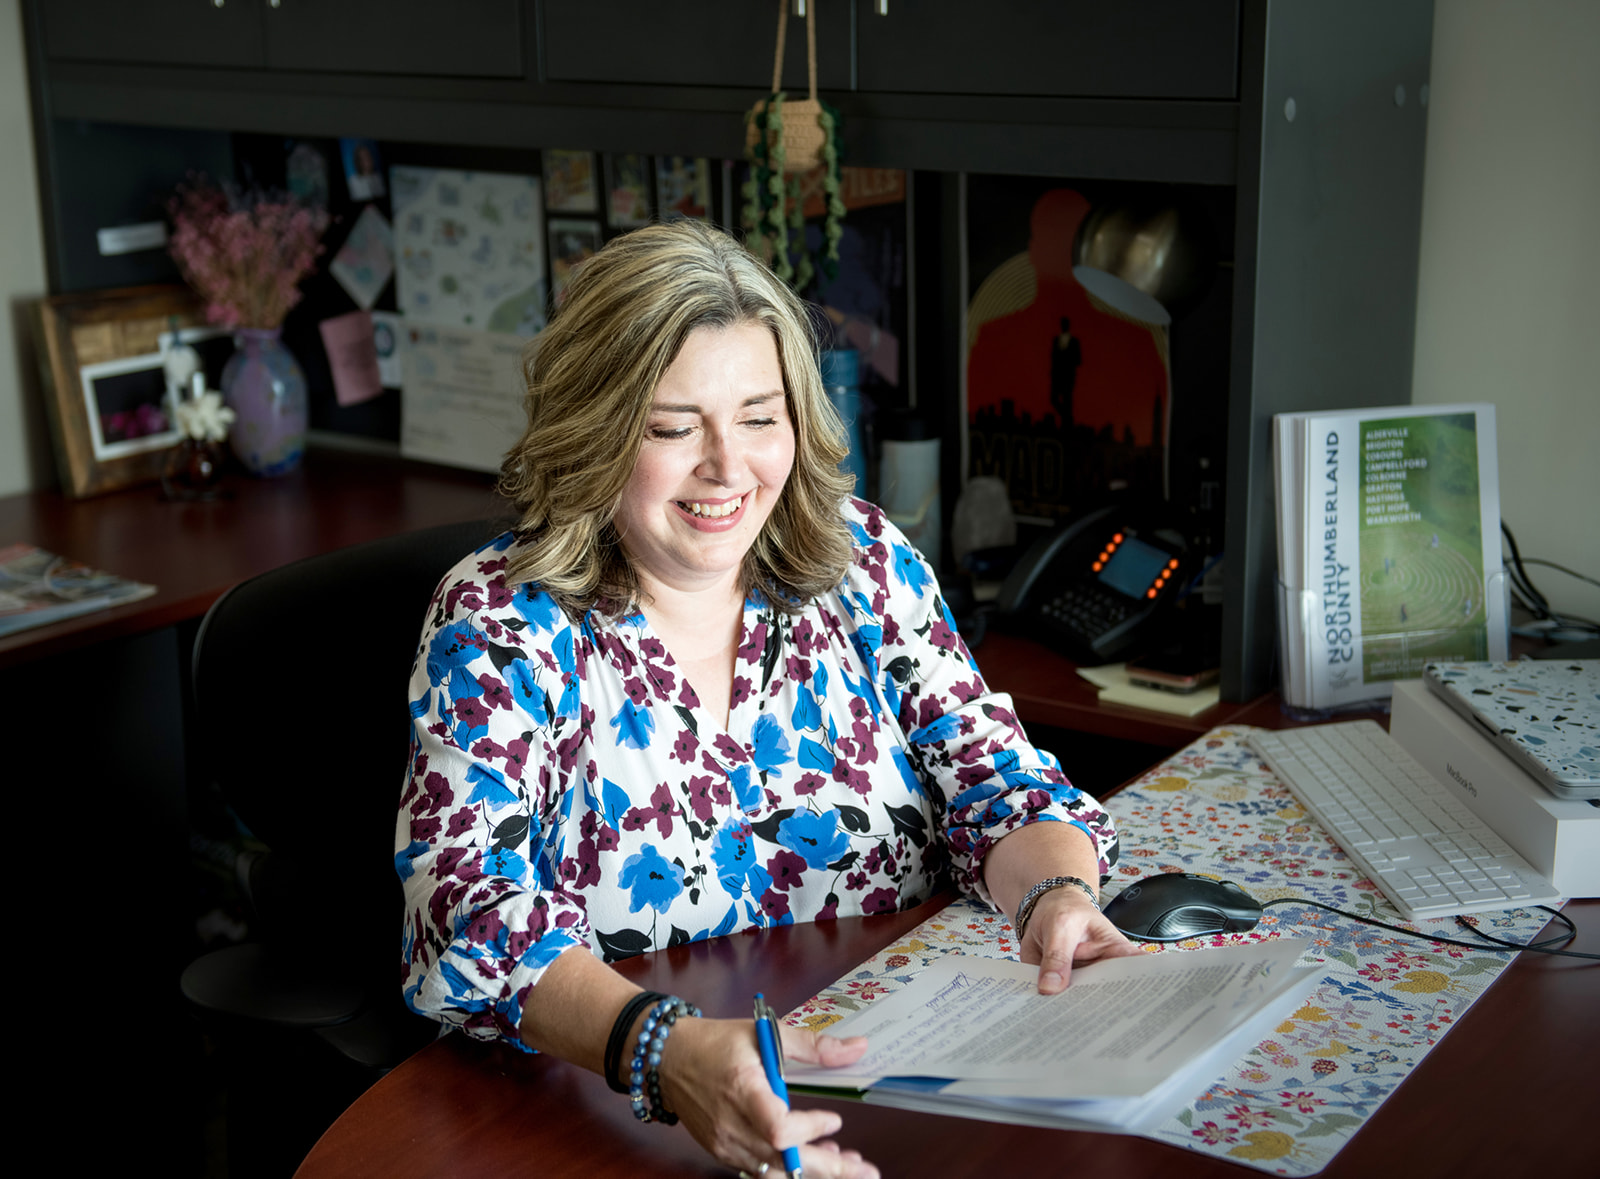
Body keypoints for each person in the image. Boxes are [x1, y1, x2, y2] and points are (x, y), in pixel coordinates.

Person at [397, 220, 1136, 1178]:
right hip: (613, 1112)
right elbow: (468, 910)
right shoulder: (498, 623)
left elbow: (1001, 786)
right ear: (593, 429)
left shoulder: (862, 559)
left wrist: (1057, 894)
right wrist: (664, 1052)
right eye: (672, 427)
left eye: (759, 415)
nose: (728, 467)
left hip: (890, 1084)